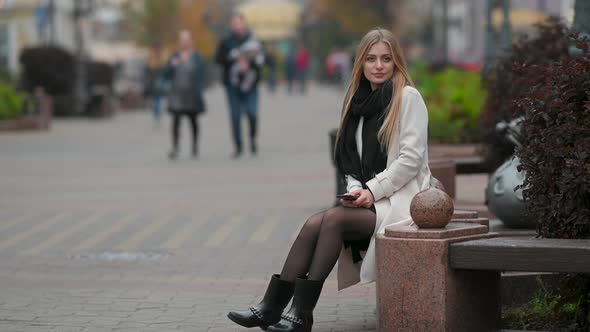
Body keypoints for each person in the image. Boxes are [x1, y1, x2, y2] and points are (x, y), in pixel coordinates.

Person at [227, 27, 433, 331]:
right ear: (361, 64)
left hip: (403, 202)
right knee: (314, 223)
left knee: (333, 221)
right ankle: (272, 308)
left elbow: (410, 161)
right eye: (371, 59)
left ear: (396, 62)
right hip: (373, 199)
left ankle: (299, 313)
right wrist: (354, 190)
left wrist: (372, 192)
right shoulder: (358, 104)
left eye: (386, 59)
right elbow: (351, 162)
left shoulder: (407, 98)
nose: (378, 65)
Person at [215, 13, 264, 158]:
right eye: (234, 23)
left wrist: (249, 63)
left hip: (251, 84)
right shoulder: (226, 42)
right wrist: (235, 60)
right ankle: (238, 146)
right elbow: (218, 59)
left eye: (239, 23)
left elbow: (263, 60)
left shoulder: (254, 41)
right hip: (232, 85)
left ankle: (253, 139)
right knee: (235, 116)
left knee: (252, 113)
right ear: (231, 25)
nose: (237, 26)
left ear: (245, 24)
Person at [161, 30, 206, 160]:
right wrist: (171, 66)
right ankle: (175, 147)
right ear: (179, 42)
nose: (184, 42)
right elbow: (165, 74)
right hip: (177, 94)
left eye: (186, 39)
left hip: (192, 93)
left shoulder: (196, 56)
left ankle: (195, 146)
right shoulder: (174, 56)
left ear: (191, 41)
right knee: (175, 121)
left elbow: (202, 74)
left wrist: (200, 88)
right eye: (182, 39)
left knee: (193, 121)